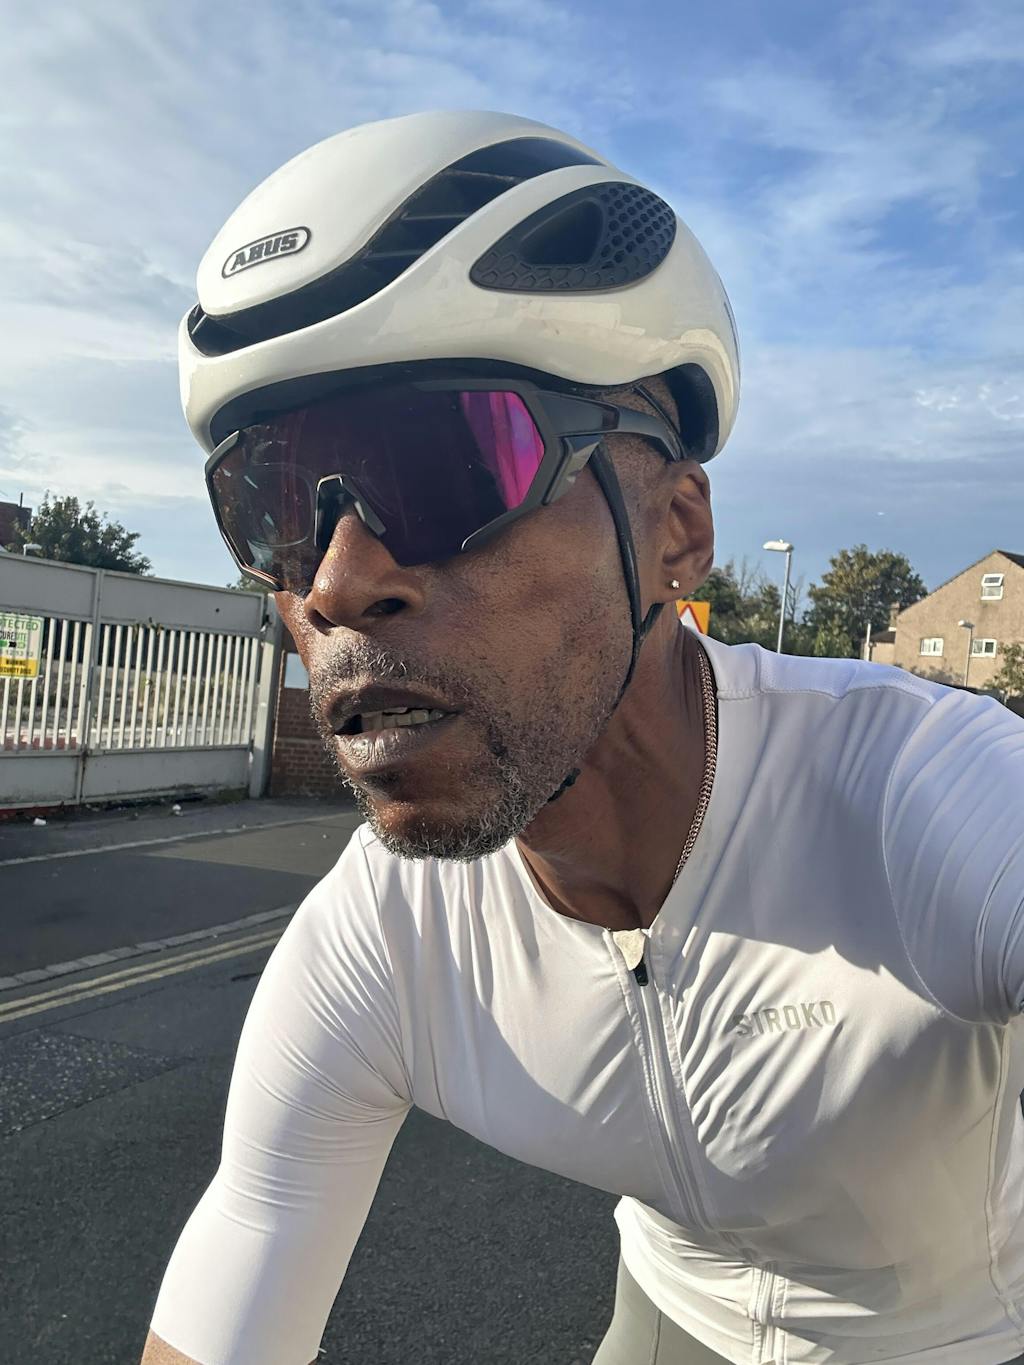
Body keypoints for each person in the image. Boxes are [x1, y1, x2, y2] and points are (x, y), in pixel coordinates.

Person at [141, 111, 1024, 1365]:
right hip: (670, 1318)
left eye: (451, 464)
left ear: (675, 530)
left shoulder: (929, 796)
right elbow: (257, 1225)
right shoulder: (386, 928)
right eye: (272, 507)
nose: (334, 582)